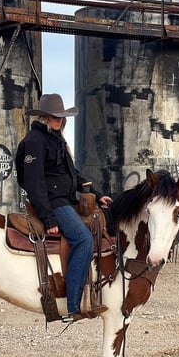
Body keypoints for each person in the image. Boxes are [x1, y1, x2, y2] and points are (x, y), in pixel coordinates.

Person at [15, 93, 111, 323]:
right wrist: (48, 219)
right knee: (83, 240)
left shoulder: (56, 139)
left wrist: (98, 196)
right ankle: (73, 304)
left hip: (65, 200)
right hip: (53, 203)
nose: (59, 121)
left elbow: (73, 175)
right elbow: (34, 183)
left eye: (61, 117)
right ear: (45, 117)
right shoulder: (33, 143)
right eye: (55, 117)